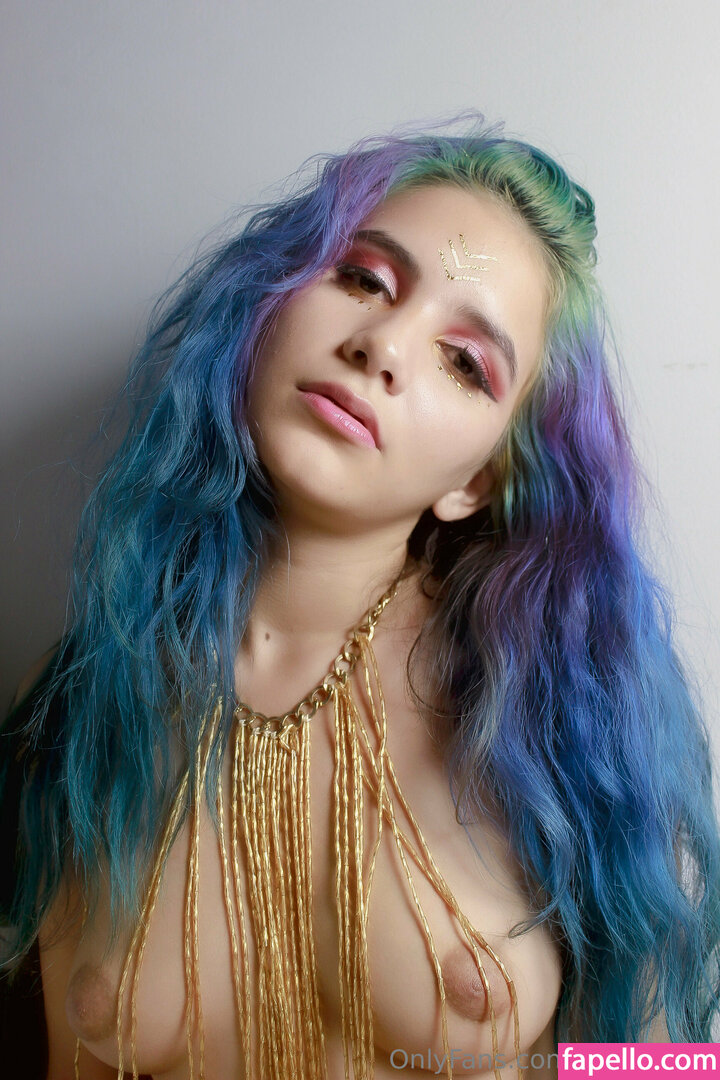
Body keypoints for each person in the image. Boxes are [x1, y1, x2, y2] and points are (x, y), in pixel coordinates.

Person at [2, 115, 720, 1080]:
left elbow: (665, 1063)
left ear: (478, 481)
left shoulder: (562, 720)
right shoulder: (80, 709)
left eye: (464, 363)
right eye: (362, 279)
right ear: (265, 308)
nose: (382, 344)